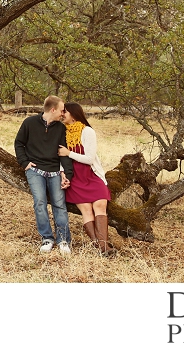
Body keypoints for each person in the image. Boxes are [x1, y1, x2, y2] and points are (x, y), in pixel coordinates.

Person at [14, 95, 74, 254]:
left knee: (59, 205)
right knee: (40, 202)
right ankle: (47, 238)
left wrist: (66, 174)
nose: (63, 114)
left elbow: (63, 153)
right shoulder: (29, 123)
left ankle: (63, 240)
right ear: (53, 109)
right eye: (61, 110)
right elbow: (19, 143)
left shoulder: (61, 129)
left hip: (54, 171)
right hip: (35, 170)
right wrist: (24, 162)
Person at [58, 101, 114, 256]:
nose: (62, 115)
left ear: (74, 114)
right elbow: (60, 159)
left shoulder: (87, 131)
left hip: (91, 174)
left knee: (100, 205)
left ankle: (102, 246)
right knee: (87, 210)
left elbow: (89, 159)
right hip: (75, 178)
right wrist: (63, 173)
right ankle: (102, 248)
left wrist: (69, 153)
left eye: (65, 112)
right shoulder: (63, 132)